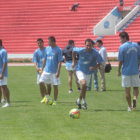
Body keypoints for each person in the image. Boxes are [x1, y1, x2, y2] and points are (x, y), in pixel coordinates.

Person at [72, 39, 103, 109]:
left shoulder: (95, 52)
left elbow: (100, 63)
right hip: (80, 70)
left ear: (92, 45)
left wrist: (94, 67)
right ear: (85, 45)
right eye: (87, 45)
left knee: (84, 88)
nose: (88, 47)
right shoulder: (81, 50)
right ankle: (84, 102)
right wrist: (73, 61)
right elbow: (73, 51)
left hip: (88, 72)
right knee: (83, 84)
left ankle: (79, 100)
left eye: (90, 45)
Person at [118, 32, 140, 111]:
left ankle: (129, 106)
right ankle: (134, 99)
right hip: (135, 71)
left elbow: (120, 61)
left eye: (120, 39)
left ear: (124, 38)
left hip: (126, 72)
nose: (120, 40)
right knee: (136, 88)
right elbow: (139, 58)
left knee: (127, 90)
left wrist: (118, 70)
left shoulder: (122, 47)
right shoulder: (136, 46)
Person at [39, 36, 63, 105]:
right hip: (46, 70)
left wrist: (58, 71)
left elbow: (59, 62)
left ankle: (55, 101)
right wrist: (42, 69)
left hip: (54, 72)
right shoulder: (47, 49)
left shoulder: (58, 50)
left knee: (55, 86)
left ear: (53, 42)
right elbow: (45, 59)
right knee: (40, 82)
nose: (47, 43)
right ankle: (46, 96)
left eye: (49, 41)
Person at [33, 38, 51, 103]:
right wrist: (37, 68)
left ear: (43, 43)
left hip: (47, 69)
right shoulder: (36, 52)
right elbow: (35, 61)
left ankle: (48, 96)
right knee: (40, 84)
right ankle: (43, 98)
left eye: (40, 43)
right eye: (38, 43)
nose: (39, 44)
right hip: (40, 70)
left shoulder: (47, 50)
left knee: (48, 84)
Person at [0, 39, 10, 107]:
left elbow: (5, 62)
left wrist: (2, 73)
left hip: (2, 72)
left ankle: (8, 102)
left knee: (4, 86)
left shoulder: (3, 51)